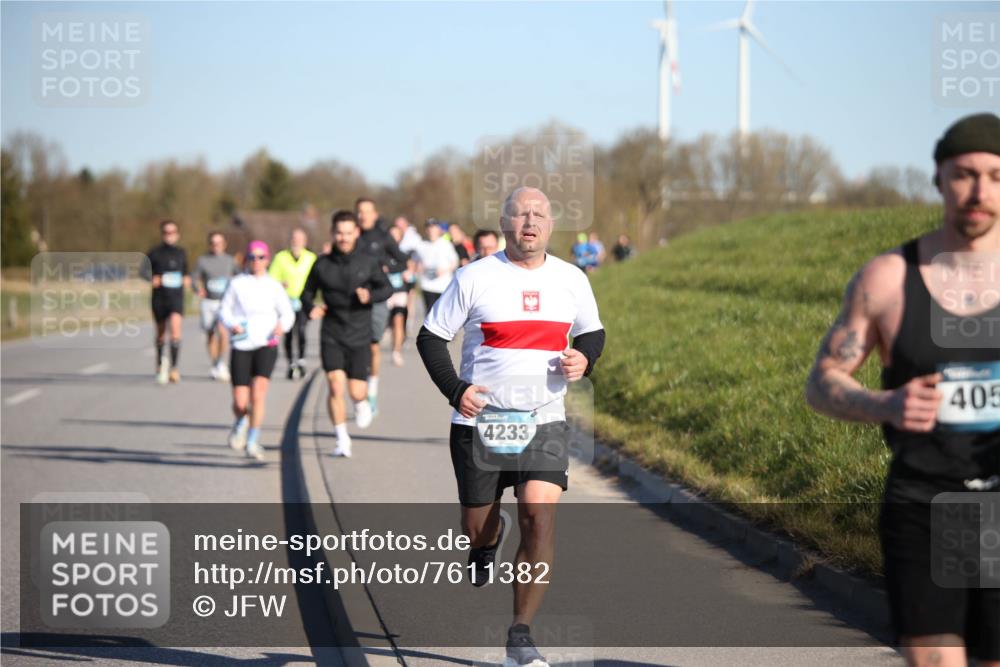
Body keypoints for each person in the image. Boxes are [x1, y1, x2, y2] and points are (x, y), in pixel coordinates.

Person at [805, 113, 1000, 667]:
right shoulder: (887, 278)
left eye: (995, 175)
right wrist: (885, 403)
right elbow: (821, 383)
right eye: (964, 174)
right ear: (939, 178)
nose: (980, 191)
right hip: (925, 503)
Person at [417, 187, 606, 667]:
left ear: (550, 225)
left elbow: (591, 331)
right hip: (481, 421)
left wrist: (586, 357)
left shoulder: (572, 279)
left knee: (539, 519)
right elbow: (431, 337)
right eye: (520, 213)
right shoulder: (474, 277)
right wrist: (456, 389)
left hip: (543, 419)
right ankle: (487, 540)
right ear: (503, 223)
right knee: (475, 527)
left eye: (539, 214)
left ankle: (520, 636)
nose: (530, 221)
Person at [301, 210, 394, 457]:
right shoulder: (322, 264)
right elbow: (306, 293)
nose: (343, 238)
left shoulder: (368, 261)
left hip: (359, 333)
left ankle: (362, 403)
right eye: (339, 233)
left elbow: (387, 288)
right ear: (332, 234)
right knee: (334, 385)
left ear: (356, 233)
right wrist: (312, 308)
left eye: (348, 233)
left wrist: (370, 296)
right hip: (331, 332)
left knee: (355, 391)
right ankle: (342, 439)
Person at [218, 241, 295, 461]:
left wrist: (282, 326)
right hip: (242, 343)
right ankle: (241, 421)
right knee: (241, 401)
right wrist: (232, 323)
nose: (256, 261)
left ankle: (253, 439)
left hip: (266, 343)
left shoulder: (274, 286)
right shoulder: (236, 283)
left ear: (267, 260)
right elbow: (224, 310)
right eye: (252, 257)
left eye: (261, 257)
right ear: (246, 260)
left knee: (258, 394)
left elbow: (287, 313)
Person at [356, 197, 410, 415]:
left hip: (378, 296)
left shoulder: (382, 237)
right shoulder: (351, 235)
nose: (363, 216)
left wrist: (388, 267)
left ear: (374, 214)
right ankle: (357, 388)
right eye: (360, 212)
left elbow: (403, 260)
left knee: (373, 346)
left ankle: (371, 391)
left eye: (367, 211)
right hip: (354, 298)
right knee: (356, 347)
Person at [269, 228, 318, 379]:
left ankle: (301, 361)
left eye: (299, 239)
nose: (296, 241)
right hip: (286, 301)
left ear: (305, 241)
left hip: (304, 301)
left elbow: (318, 279)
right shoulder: (280, 257)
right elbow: (271, 279)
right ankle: (291, 363)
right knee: (289, 333)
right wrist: (279, 284)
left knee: (302, 330)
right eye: (294, 238)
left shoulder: (311, 258)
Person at [146, 220, 190, 384]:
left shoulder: (181, 253)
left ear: (177, 234)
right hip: (159, 298)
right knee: (161, 334)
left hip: (176, 298)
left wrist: (187, 278)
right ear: (162, 234)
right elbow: (143, 271)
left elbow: (186, 271)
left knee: (176, 331)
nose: (169, 235)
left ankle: (174, 368)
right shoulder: (154, 253)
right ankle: (159, 363)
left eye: (172, 232)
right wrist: (152, 278)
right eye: (166, 232)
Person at [193, 231, 237, 382]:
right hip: (208, 302)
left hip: (224, 303)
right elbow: (194, 279)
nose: (216, 246)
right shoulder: (203, 260)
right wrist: (198, 289)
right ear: (209, 244)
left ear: (224, 244)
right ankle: (215, 364)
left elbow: (240, 277)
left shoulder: (230, 261)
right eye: (213, 243)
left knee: (224, 333)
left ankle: (221, 363)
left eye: (219, 243)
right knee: (210, 334)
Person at [414, 218, 459, 314]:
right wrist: (418, 267)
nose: (431, 231)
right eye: (429, 228)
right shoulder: (421, 245)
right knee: (429, 314)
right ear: (426, 230)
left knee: (443, 314)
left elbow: (455, 262)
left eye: (434, 228)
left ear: (438, 229)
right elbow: (415, 262)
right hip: (427, 285)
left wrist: (444, 270)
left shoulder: (446, 244)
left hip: (443, 285)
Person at [387, 224, 416, 366]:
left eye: (396, 235)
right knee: (388, 324)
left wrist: (409, 276)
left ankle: (396, 352)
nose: (393, 238)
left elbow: (411, 277)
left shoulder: (404, 255)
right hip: (384, 294)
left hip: (400, 292)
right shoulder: (381, 254)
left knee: (398, 321)